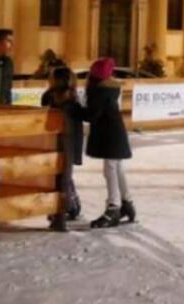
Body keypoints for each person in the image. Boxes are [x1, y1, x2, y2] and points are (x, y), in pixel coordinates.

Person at [84, 58, 136, 229]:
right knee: (116, 167)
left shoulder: (100, 91)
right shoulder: (109, 89)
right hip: (114, 134)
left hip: (110, 135)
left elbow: (92, 114)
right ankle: (126, 203)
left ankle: (114, 207)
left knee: (111, 169)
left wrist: (70, 108)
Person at [42, 67, 84, 230]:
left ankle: (60, 213)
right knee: (64, 179)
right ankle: (63, 211)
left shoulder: (51, 97)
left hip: (57, 141)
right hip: (67, 143)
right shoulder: (72, 100)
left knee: (58, 179)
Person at [0, 29, 13, 106]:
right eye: (8, 41)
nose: (10, 45)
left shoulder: (9, 63)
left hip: (2, 110)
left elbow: (8, 89)